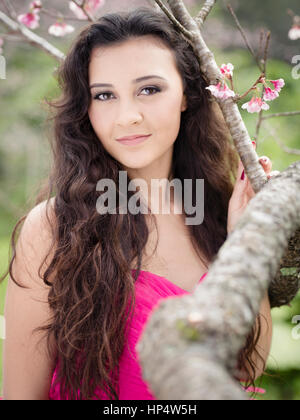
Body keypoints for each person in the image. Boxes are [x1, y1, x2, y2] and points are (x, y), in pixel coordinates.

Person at [1, 6, 273, 400]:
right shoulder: (53, 229)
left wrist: (247, 241)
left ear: (186, 95)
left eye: (149, 89)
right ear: (86, 108)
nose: (127, 116)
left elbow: (247, 367)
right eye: (105, 95)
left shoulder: (217, 214)